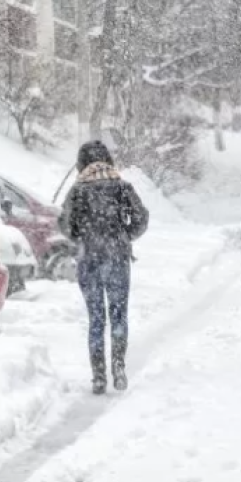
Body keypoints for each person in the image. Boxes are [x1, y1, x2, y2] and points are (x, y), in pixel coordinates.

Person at [59, 140, 149, 394]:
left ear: (81, 163)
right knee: (119, 315)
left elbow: (64, 225)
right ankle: (118, 367)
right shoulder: (121, 186)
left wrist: (81, 237)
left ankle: (98, 376)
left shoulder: (77, 190)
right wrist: (125, 235)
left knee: (96, 319)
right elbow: (142, 218)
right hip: (118, 258)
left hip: (89, 259)